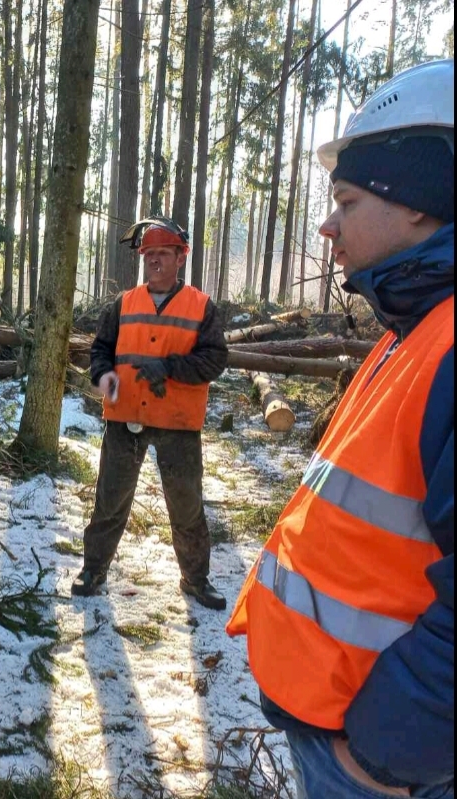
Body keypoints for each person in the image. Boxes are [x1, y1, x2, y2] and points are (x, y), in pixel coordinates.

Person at [227, 59, 454, 799]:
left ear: (417, 201)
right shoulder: (413, 327)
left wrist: (382, 753)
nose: (326, 225)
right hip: (342, 721)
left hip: (382, 759)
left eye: (346, 200)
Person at [72, 216, 229, 610]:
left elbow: (214, 361)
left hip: (178, 422)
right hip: (125, 418)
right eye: (149, 255)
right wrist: (103, 373)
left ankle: (196, 579)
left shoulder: (201, 307)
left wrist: (171, 367)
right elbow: (100, 349)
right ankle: (93, 570)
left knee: (186, 504)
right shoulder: (123, 303)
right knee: (109, 499)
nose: (154, 261)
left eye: (162, 254)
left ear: (181, 257)